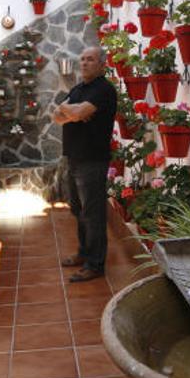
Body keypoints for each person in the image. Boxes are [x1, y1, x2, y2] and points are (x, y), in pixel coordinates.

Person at [52, 47, 117, 282]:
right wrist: (73, 111)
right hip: (74, 158)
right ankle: (83, 253)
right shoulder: (79, 89)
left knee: (93, 214)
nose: (84, 63)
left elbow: (73, 113)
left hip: (93, 160)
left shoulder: (104, 89)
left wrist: (72, 112)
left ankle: (95, 264)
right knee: (78, 211)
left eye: (90, 59)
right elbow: (56, 116)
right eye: (82, 58)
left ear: (102, 64)